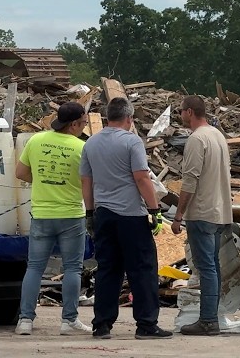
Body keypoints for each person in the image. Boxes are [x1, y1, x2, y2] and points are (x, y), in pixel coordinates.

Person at [80, 96, 172, 340]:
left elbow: (86, 181)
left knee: (107, 270)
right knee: (142, 269)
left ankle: (102, 325)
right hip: (131, 215)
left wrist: (90, 213)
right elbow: (141, 178)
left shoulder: (91, 143)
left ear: (107, 117)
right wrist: (154, 210)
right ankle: (146, 324)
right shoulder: (132, 141)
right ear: (129, 118)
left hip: (104, 215)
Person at [14, 101, 92, 336]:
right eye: (84, 123)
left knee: (35, 267)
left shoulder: (36, 140)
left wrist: (42, 182)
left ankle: (25, 320)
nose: (84, 127)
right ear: (74, 124)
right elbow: (88, 183)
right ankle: (69, 321)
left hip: (42, 215)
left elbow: (20, 173)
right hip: (71, 215)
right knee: (73, 268)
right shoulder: (82, 148)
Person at [170, 95, 236, 336]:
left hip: (201, 212)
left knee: (206, 267)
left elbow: (190, 181)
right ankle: (212, 316)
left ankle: (208, 320)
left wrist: (178, 215)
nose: (180, 115)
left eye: (181, 111)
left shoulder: (197, 139)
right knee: (213, 267)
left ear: (189, 112)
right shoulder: (218, 136)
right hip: (219, 211)